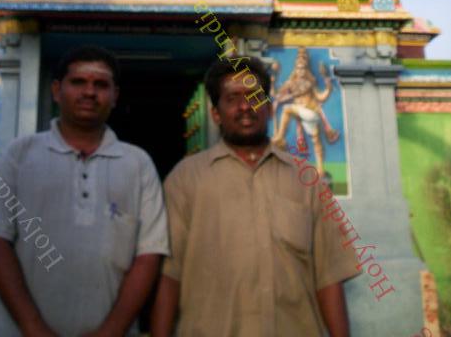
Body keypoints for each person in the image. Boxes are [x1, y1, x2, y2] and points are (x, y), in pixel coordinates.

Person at [151, 58, 359, 337]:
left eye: (254, 97)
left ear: (270, 109)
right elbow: (169, 276)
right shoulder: (186, 179)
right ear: (216, 114)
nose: (245, 107)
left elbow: (329, 278)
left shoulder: (307, 181)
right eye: (233, 98)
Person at [0, 45, 169, 337]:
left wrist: (111, 331)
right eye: (78, 82)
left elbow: (149, 253)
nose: (89, 92)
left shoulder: (137, 163)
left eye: (101, 85)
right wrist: (33, 327)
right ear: (56, 90)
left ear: (115, 95)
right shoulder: (20, 155)